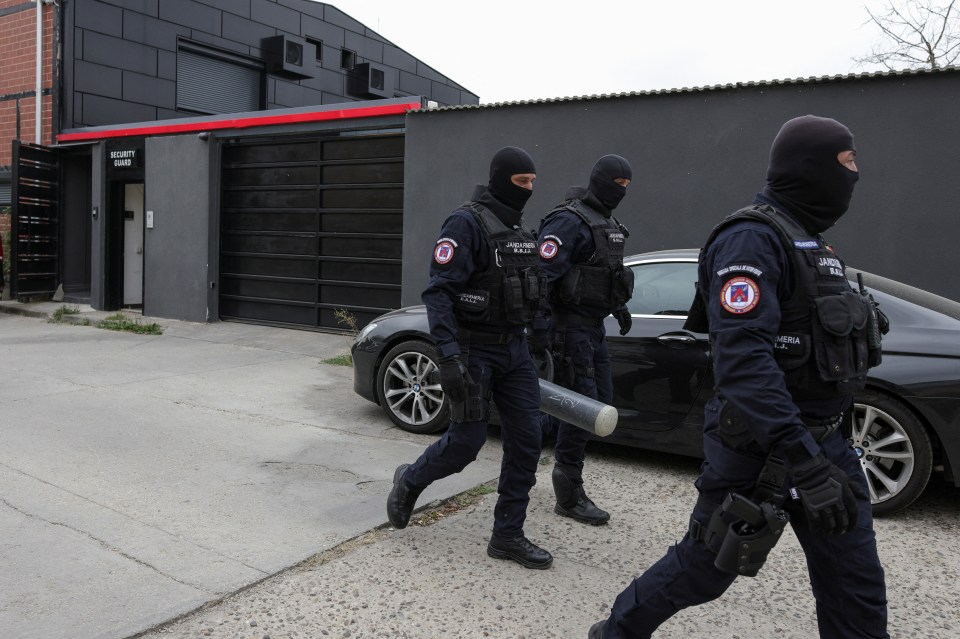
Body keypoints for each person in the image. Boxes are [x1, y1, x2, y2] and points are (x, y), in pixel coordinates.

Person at [589, 115, 889, 638]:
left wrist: (822, 460)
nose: (856, 174)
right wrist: (804, 462)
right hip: (764, 451)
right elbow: (744, 363)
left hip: (827, 444)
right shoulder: (750, 240)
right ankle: (616, 631)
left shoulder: (814, 246)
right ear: (808, 166)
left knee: (855, 585)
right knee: (706, 568)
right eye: (847, 162)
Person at [387, 146, 554, 569]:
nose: (530, 189)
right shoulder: (466, 223)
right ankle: (410, 480)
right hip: (473, 348)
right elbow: (438, 293)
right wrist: (446, 356)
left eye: (533, 182)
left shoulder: (519, 229)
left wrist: (539, 340)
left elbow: (530, 289)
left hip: (514, 350)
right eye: (522, 182)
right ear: (500, 179)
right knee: (466, 442)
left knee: (528, 441)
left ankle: (507, 535)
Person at [533, 155, 634, 526]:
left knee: (597, 403)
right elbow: (542, 279)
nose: (621, 191)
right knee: (585, 407)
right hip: (567, 329)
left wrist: (619, 306)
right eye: (616, 183)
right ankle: (568, 491)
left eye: (627, 186)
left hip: (592, 327)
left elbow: (608, 273)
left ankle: (526, 449)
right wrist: (540, 329)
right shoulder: (569, 221)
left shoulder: (608, 224)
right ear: (598, 180)